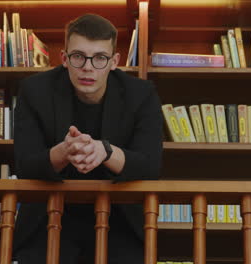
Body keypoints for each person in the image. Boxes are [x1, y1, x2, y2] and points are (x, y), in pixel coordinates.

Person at [13, 13, 163, 264]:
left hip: (120, 219)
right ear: (64, 58)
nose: (88, 67)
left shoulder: (142, 94)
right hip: (49, 217)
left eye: (100, 58)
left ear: (114, 61)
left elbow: (150, 166)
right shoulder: (34, 91)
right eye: (78, 56)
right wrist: (65, 151)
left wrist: (104, 151)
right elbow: (24, 165)